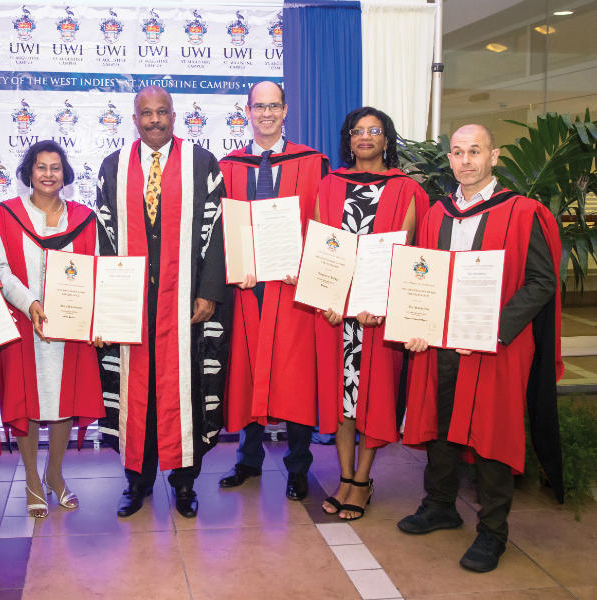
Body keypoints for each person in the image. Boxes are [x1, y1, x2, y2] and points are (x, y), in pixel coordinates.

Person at [398, 124, 563, 573]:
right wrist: (416, 324)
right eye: (457, 152)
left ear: (494, 157)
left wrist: (493, 330)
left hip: (495, 346)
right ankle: (440, 506)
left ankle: (493, 532)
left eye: (475, 151)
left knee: (491, 434)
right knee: (440, 425)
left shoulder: (523, 213)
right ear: (449, 159)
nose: (465, 160)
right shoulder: (436, 214)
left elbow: (542, 282)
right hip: (442, 345)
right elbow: (422, 279)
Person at [95, 86, 230, 519]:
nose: (154, 120)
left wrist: (209, 291)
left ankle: (185, 483)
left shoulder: (203, 163)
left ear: (175, 116)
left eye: (162, 112)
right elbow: (105, 235)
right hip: (133, 303)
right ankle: (137, 481)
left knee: (185, 391)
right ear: (133, 118)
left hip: (186, 300)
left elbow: (217, 231)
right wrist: (109, 301)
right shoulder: (114, 166)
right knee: (139, 394)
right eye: (145, 113)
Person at [314, 107, 428, 520]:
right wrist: (328, 300)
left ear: (386, 139)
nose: (365, 137)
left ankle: (362, 479)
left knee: (372, 397)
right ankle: (345, 474)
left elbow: (410, 255)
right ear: (348, 139)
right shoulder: (329, 185)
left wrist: (380, 306)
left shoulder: (407, 190)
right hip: (336, 315)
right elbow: (321, 247)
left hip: (377, 317)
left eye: (374, 131)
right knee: (343, 398)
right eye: (358, 131)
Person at [217, 81, 328, 502]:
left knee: (294, 377)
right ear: (247, 111)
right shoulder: (228, 166)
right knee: (247, 372)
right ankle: (248, 461)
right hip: (246, 289)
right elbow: (218, 232)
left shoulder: (313, 162)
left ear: (286, 111)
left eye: (273, 106)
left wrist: (310, 270)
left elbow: (324, 225)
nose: (266, 113)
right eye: (258, 106)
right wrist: (234, 268)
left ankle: (298, 466)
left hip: (293, 287)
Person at [0, 140, 105, 518]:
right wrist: (30, 303)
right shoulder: (6, 215)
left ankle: (54, 473)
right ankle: (31, 480)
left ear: (65, 172)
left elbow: (97, 269)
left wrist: (96, 318)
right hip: (24, 323)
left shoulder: (84, 218)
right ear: (29, 172)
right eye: (41, 167)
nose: (49, 174)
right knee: (27, 400)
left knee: (62, 399)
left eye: (55, 167)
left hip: (69, 327)